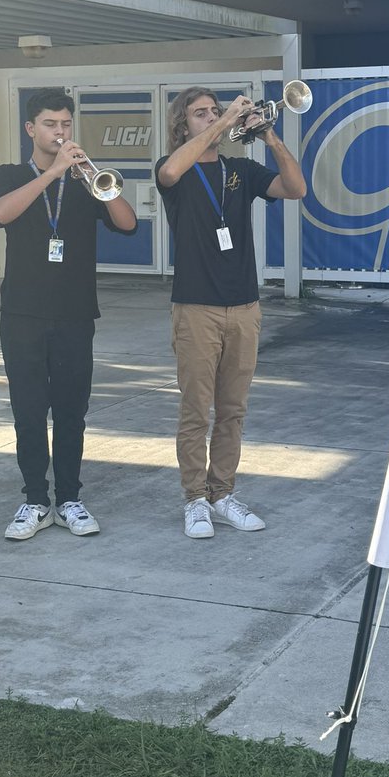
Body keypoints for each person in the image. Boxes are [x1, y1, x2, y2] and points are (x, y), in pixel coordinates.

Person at [0, 88, 137, 541]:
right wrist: (51, 174)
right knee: (28, 412)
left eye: (66, 124)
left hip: (73, 314)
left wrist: (93, 177)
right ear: (31, 129)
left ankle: (69, 498)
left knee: (72, 412)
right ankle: (34, 500)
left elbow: (127, 224)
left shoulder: (87, 180)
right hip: (23, 314)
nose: (60, 132)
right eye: (51, 124)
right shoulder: (10, 174)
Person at [155, 87, 306, 539]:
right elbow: (169, 170)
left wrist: (270, 137)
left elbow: (295, 188)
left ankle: (222, 494)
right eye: (200, 114)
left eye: (215, 112)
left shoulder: (239, 170)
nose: (212, 118)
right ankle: (195, 499)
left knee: (233, 410)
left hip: (244, 306)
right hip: (196, 307)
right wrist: (224, 124)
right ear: (183, 125)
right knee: (196, 410)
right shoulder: (176, 171)